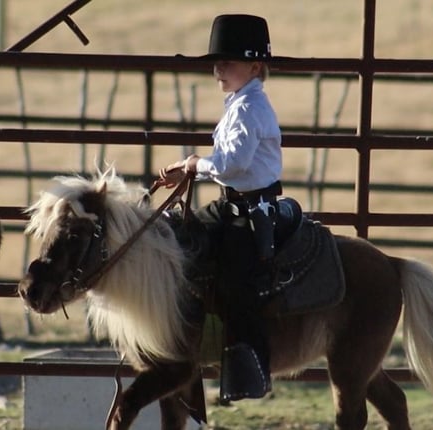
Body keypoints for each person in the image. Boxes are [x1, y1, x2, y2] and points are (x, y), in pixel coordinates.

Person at [158, 14, 282, 402]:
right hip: (234, 206)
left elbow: (233, 165)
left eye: (227, 62)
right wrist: (188, 167)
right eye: (217, 62)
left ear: (255, 67)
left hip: (249, 214)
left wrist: (194, 164)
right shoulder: (241, 104)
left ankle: (250, 370)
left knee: (235, 287)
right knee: (173, 238)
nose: (218, 70)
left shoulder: (247, 109)